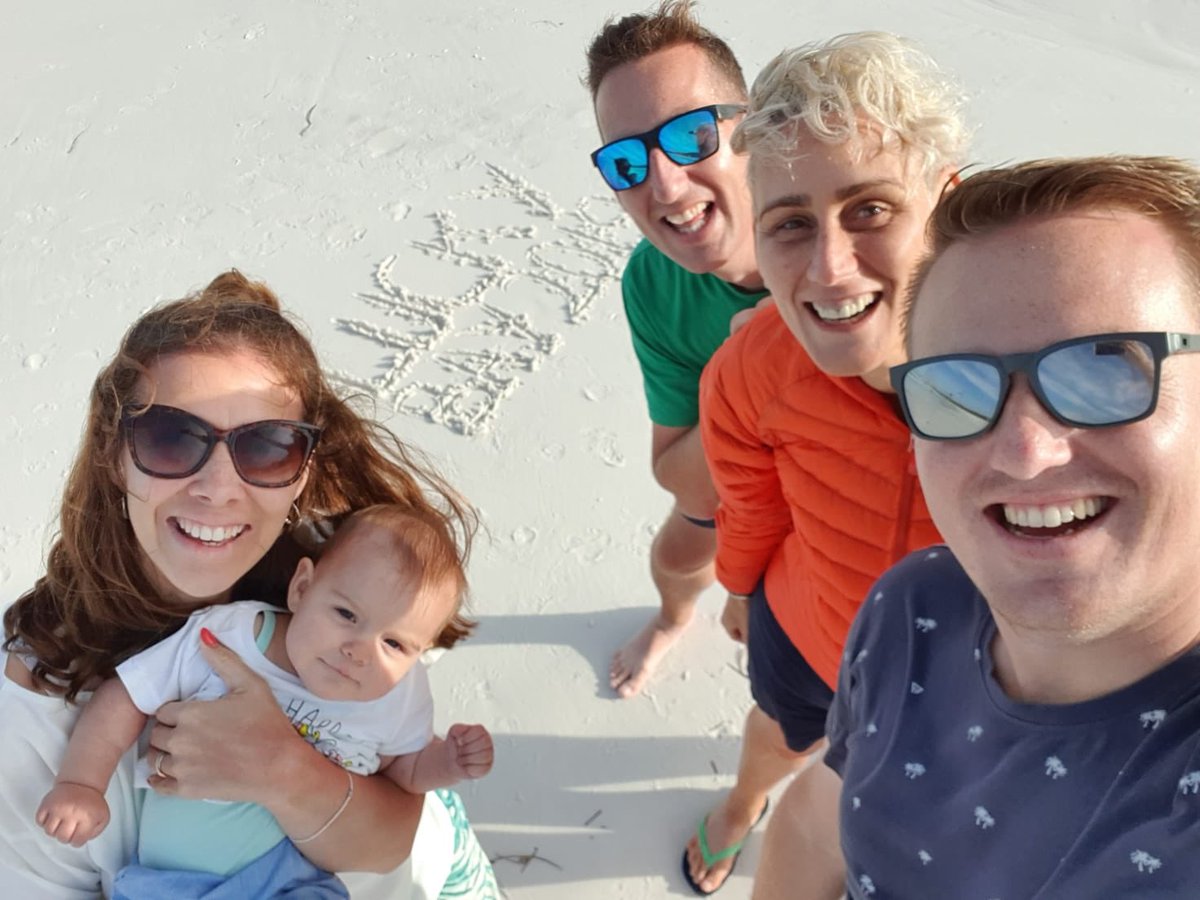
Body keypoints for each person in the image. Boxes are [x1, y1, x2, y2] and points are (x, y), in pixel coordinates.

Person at [776, 155, 1200, 899]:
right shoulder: (917, 605)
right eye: (957, 388)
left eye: (1108, 370)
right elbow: (817, 821)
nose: (1025, 452)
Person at [1, 270, 499, 900]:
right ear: (114, 450)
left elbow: (393, 837)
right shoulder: (33, 704)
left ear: (304, 466)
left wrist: (284, 769)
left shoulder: (349, 583)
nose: (218, 489)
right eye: (171, 437)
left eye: (266, 446)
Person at [693, 33, 967, 894]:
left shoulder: (1030, 377)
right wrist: (738, 591)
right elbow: (750, 505)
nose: (829, 267)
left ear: (946, 201)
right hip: (809, 630)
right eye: (790, 223)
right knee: (780, 732)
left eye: (870, 209)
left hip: (962, 689)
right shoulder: (749, 368)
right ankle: (743, 804)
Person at [37, 503, 495, 898]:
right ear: (302, 588)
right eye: (346, 614)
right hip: (169, 881)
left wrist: (448, 763)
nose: (358, 651)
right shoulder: (231, 636)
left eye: (394, 644)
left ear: (419, 653)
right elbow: (126, 697)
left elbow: (405, 772)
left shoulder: (398, 696)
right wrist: (82, 783)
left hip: (290, 882)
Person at [585, 0, 769, 699]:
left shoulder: (844, 237)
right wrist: (750, 374)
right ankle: (672, 619)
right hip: (736, 474)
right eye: (627, 161)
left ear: (753, 127)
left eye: (692, 136)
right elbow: (676, 472)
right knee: (678, 553)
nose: (663, 184)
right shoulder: (654, 281)